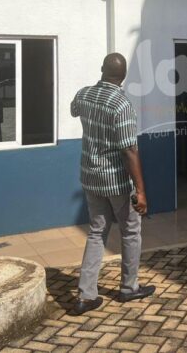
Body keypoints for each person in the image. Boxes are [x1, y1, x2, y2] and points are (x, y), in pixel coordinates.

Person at [69, 53, 154, 315]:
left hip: (90, 177)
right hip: (116, 182)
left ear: (102, 69)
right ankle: (129, 288)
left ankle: (86, 295)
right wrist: (140, 191)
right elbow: (129, 150)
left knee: (96, 231)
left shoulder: (84, 95)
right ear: (124, 75)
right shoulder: (121, 105)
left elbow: (74, 110)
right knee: (130, 231)